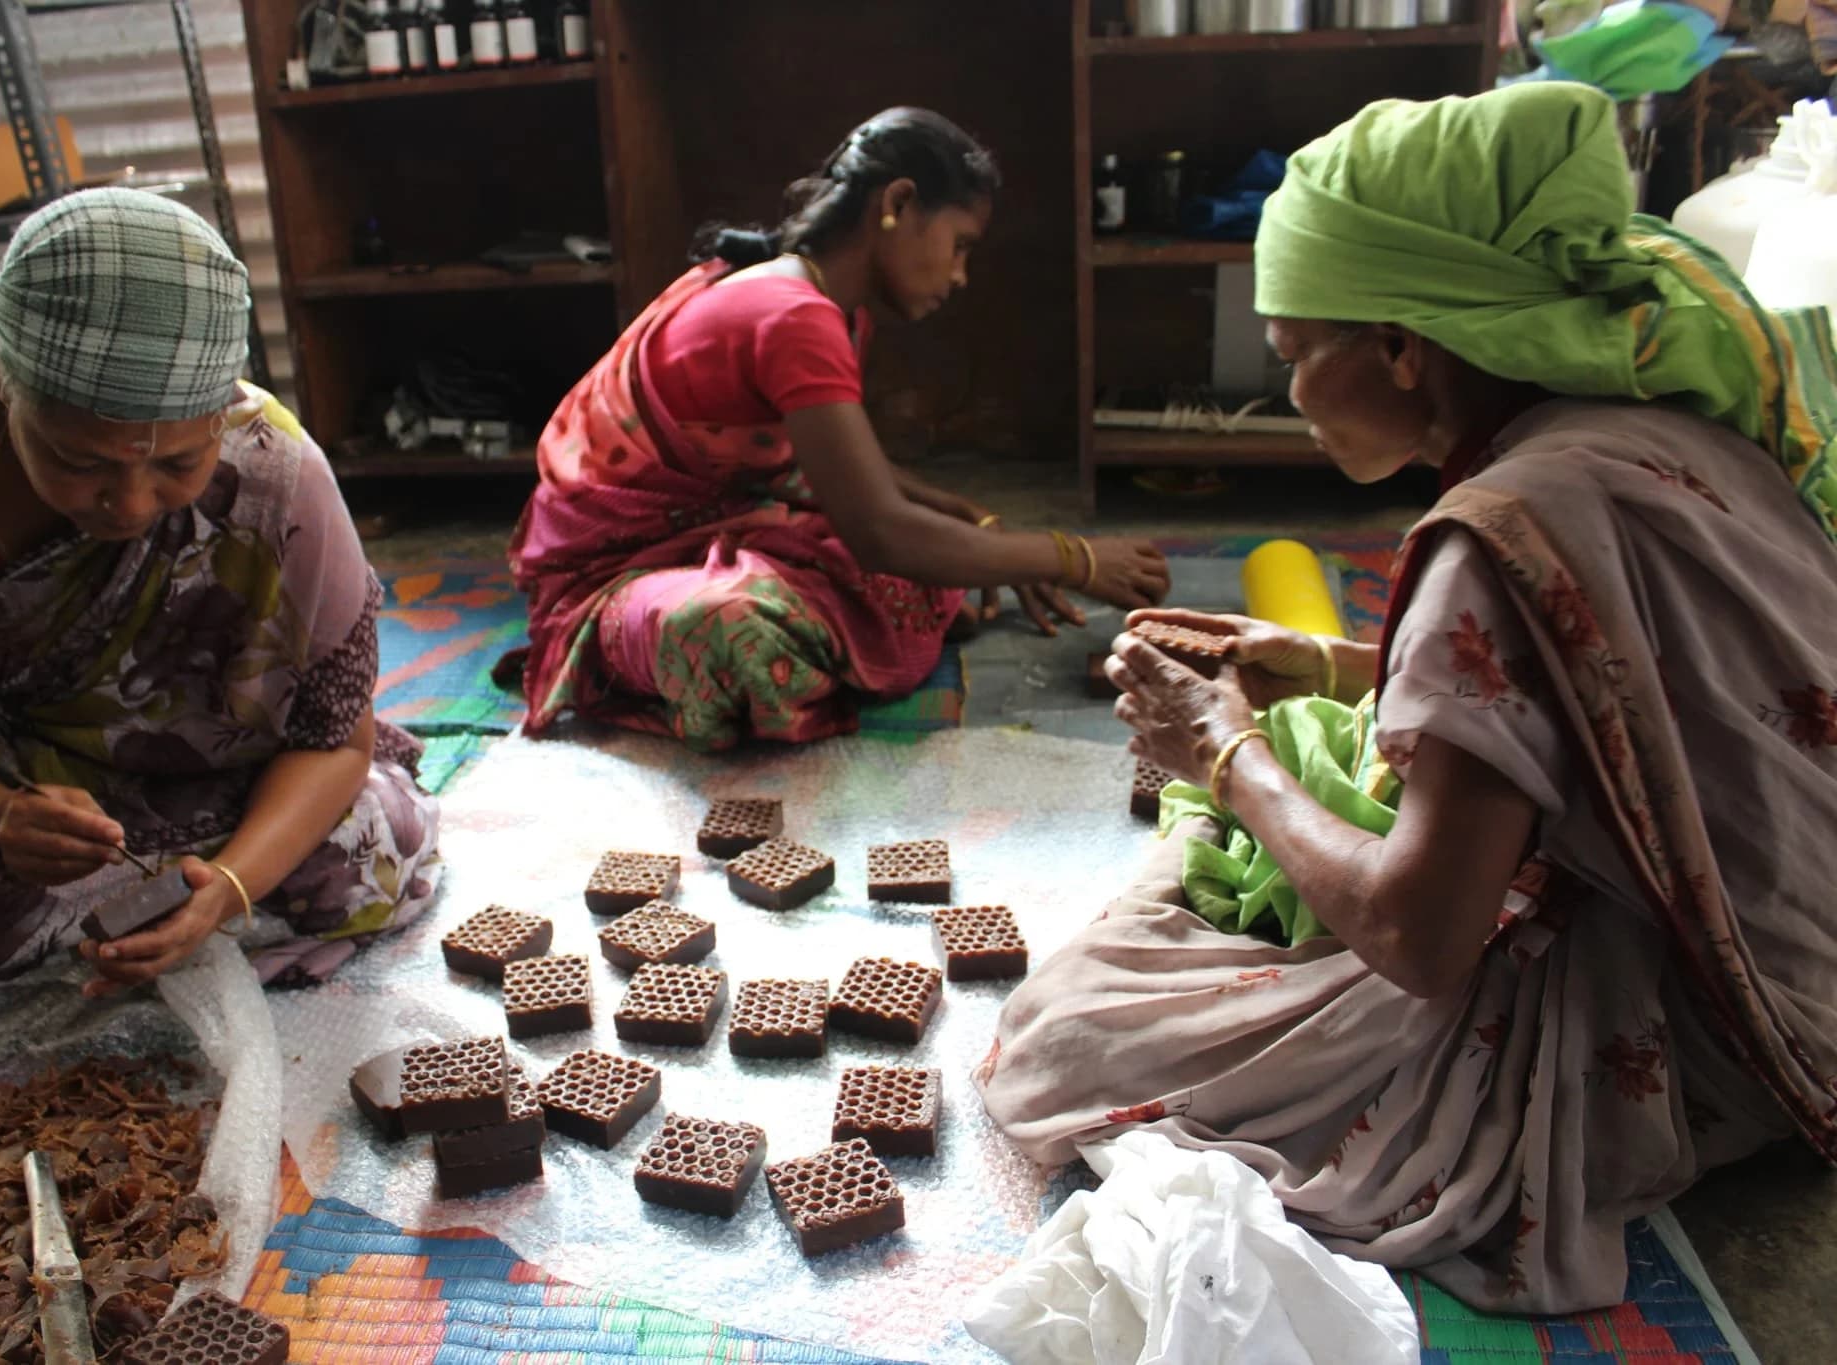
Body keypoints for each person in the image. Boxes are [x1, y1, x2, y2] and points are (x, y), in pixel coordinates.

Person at [979, 82, 1837, 1314]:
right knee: (1329, 742)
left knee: (1077, 1023)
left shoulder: (1498, 536)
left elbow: (1420, 942)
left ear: (1398, 345)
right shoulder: (1649, 428)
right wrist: (1325, 661)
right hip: (1802, 971)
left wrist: (1221, 754)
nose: (1286, 395)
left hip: (1700, 1037)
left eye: (1291, 355)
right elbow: (1598, 700)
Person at [0, 188, 443, 1052]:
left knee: (373, 853)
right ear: (6, 387)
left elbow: (333, 742)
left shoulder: (275, 472)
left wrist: (231, 889)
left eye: (179, 463)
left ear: (224, 415)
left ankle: (117, 962)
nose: (131, 504)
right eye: (75, 460)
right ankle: (151, 963)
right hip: (12, 795)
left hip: (221, 783)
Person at [509, 107, 1172, 750]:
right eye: (960, 245)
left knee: (929, 569)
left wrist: (974, 522)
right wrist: (1070, 556)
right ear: (899, 203)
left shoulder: (831, 308)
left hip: (716, 520)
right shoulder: (794, 313)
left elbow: (843, 470)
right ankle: (610, 646)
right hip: (607, 566)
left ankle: (819, 625)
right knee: (735, 629)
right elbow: (878, 528)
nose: (961, 274)